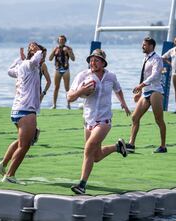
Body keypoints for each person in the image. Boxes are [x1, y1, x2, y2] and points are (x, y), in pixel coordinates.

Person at [67, 48, 130, 194]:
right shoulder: (83, 75)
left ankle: (82, 185)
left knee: (88, 148)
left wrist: (123, 103)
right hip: (88, 120)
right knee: (95, 157)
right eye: (91, 59)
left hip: (104, 120)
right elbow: (70, 97)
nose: (92, 62)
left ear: (103, 63)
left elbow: (118, 89)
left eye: (96, 60)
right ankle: (117, 147)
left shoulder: (111, 76)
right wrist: (81, 91)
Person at [0, 42, 46, 184]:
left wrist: (19, 59)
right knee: (25, 145)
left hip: (16, 110)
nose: (43, 60)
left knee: (21, 141)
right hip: (26, 111)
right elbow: (37, 56)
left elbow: (10, 70)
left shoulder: (23, 66)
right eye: (42, 57)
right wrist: (37, 50)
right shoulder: (30, 65)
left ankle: (2, 165)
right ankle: (10, 175)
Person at [126, 37, 167, 154]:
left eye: (144, 45)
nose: (142, 46)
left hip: (155, 91)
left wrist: (140, 86)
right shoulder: (145, 58)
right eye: (142, 44)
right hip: (146, 92)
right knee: (135, 117)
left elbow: (154, 75)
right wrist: (140, 92)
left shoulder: (157, 59)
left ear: (151, 46)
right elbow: (144, 76)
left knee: (158, 120)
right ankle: (131, 144)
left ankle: (163, 146)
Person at [49, 35, 75, 109]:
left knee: (67, 88)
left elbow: (73, 59)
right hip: (57, 69)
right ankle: (54, 105)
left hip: (66, 69)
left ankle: (68, 104)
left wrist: (68, 52)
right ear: (58, 41)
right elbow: (50, 59)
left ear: (65, 41)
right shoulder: (56, 49)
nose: (61, 41)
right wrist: (53, 51)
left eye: (63, 40)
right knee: (56, 87)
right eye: (60, 40)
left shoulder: (69, 48)